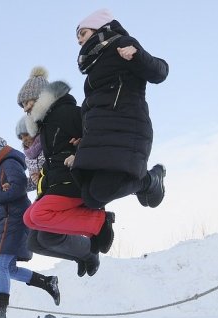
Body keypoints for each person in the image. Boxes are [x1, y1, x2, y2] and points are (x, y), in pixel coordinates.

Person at [67, 8, 169, 209]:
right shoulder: (94, 67)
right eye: (78, 38)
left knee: (101, 192)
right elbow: (93, 106)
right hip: (99, 134)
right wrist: (82, 135)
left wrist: (137, 55)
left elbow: (160, 71)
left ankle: (150, 180)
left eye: (83, 34)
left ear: (99, 28)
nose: (80, 41)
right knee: (89, 196)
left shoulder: (121, 44)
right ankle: (102, 228)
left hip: (125, 127)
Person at [18, 66, 114, 272]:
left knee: (38, 216)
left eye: (28, 102)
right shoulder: (44, 129)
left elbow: (97, 135)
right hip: (54, 182)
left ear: (41, 97)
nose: (25, 108)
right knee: (33, 233)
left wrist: (82, 146)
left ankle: (99, 222)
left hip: (72, 181)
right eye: (22, 105)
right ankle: (83, 255)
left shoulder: (68, 113)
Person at [0, 136, 60, 318]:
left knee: (0, 263)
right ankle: (47, 282)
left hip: (12, 219)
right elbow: (20, 185)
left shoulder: (8, 162)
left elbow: (18, 189)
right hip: (8, 218)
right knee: (10, 268)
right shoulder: (3, 165)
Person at [15, 116, 45, 193]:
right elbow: (34, 183)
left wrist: (42, 175)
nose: (24, 139)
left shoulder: (47, 146)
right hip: (43, 192)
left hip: (58, 188)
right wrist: (13, 186)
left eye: (26, 134)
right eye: (21, 138)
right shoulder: (28, 158)